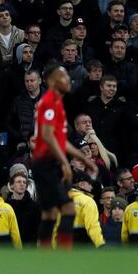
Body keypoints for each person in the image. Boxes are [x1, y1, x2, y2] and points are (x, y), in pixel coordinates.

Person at [33, 67, 98, 248]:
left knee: (50, 214)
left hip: (47, 163)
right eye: (63, 76)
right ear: (52, 81)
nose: (68, 79)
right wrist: (65, 163)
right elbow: (47, 136)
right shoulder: (49, 102)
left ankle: (44, 253)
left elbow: (60, 141)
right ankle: (64, 253)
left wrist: (84, 159)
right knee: (68, 209)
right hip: (46, 164)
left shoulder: (57, 103)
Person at [67, 171, 105, 248]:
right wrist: (100, 244)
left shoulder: (61, 199)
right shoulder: (87, 201)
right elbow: (92, 225)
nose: (91, 187)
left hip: (62, 243)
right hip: (81, 244)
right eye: (89, 184)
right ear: (81, 184)